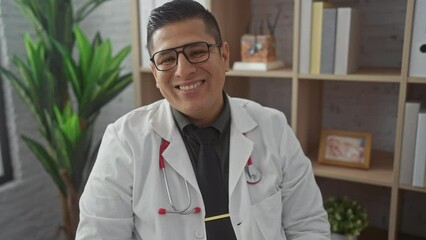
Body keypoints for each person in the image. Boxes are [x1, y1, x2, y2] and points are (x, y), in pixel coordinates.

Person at [76, 0, 330, 239]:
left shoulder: (273, 128)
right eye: (167, 59)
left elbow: (307, 225)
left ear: (225, 55)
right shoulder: (124, 142)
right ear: (155, 73)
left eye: (197, 52)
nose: (184, 70)